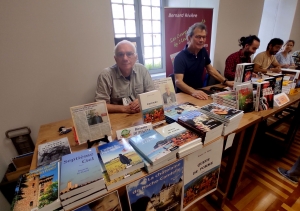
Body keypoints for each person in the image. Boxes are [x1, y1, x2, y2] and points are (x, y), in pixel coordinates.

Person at [173, 23, 234, 100]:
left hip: (199, 92)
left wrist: (225, 82)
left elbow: (211, 70)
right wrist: (193, 92)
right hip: (184, 95)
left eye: (204, 37)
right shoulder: (180, 57)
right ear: (189, 38)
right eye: (198, 37)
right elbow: (178, 81)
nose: (201, 40)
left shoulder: (203, 51)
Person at [95, 40, 155, 113]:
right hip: (118, 119)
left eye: (129, 54)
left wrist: (141, 100)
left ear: (136, 57)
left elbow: (153, 94)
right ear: (115, 59)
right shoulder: (106, 75)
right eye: (120, 54)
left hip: (140, 116)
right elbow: (100, 105)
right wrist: (124, 109)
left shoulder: (142, 70)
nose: (125, 58)